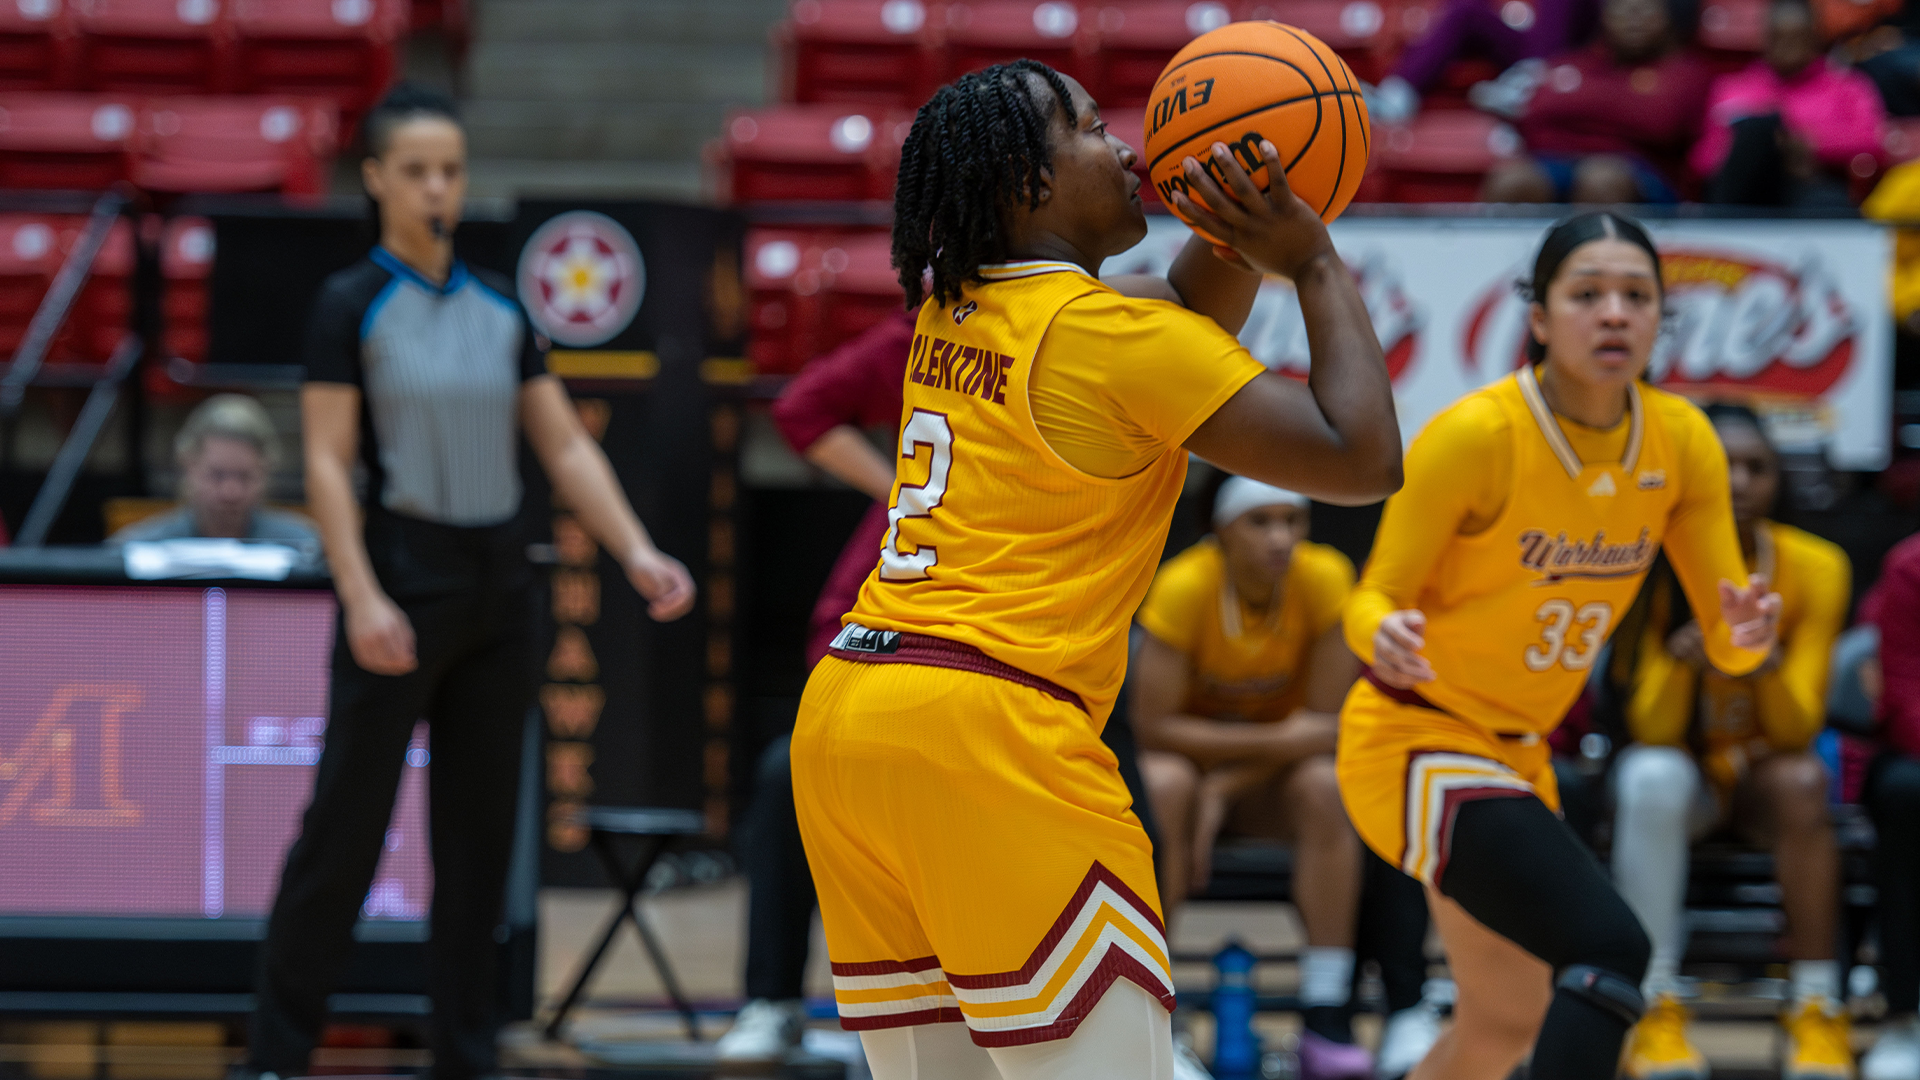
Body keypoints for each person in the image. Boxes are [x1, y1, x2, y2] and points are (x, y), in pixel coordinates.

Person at [790, 58, 1403, 1080]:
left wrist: (1227, 235)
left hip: (854, 719)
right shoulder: (1109, 339)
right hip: (989, 730)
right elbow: (1362, 459)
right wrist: (1314, 262)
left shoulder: (963, 305)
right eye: (1086, 130)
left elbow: (1172, 322)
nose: (1130, 147)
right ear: (1024, 184)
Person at [234, 83, 696, 1080]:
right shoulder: (350, 304)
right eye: (417, 171)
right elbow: (324, 462)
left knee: (480, 844)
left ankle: (465, 1055)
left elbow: (565, 447)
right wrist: (359, 595)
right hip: (401, 580)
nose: (438, 186)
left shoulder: (499, 309)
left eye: (450, 168)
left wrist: (636, 551)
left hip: (501, 590)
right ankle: (276, 1054)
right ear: (376, 180)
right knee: (342, 837)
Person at [1337, 210, 1781, 1080]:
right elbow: (1374, 595)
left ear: (1660, 319)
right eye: (1587, 295)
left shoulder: (1684, 441)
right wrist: (1380, 632)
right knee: (1610, 950)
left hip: (1520, 758)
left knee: (1503, 1028)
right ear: (1538, 319)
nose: (1614, 313)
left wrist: (1745, 636)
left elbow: (1729, 641)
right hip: (1413, 742)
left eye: (1636, 296)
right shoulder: (1477, 436)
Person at [1606, 403, 1852, 1080]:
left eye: (1757, 467)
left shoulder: (1818, 567)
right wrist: (1688, 658)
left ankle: (1817, 1010)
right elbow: (1649, 727)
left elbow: (1799, 726)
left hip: (1764, 780)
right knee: (1647, 774)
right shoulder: (1647, 558)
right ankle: (1654, 1009)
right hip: (1686, 779)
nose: (1739, 482)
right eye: (1723, 466)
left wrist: (1758, 658)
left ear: (1780, 479)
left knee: (1807, 778)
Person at [717, 310, 914, 1063]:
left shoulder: (1078, 327)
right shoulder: (928, 332)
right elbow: (800, 406)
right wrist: (899, 490)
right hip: (890, 684)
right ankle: (773, 999)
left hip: (1027, 665)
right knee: (787, 775)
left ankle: (1136, 1017)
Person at [1133, 475, 1372, 1078]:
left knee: (1325, 783)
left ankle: (1325, 1007)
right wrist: (1223, 773)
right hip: (1192, 782)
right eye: (1260, 522)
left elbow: (1326, 728)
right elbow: (1153, 727)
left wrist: (1226, 786)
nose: (1281, 538)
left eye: (1293, 522)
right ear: (1221, 531)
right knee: (1163, 783)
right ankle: (1151, 1010)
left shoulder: (1325, 578)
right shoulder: (1185, 585)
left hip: (1265, 787)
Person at [1481, 0, 1713, 204]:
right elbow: (1534, 113)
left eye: (1643, 10)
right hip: (1554, 163)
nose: (1632, 21)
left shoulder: (1686, 72)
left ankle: (1606, 254)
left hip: (1644, 175)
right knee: (1512, 180)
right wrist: (1621, 103)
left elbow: (1659, 123)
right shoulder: (1574, 61)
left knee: (1601, 179)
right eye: (1620, 11)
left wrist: (1579, 103)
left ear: (1669, 16)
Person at [1692, 0, 1885, 207]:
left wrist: (1807, 144)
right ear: (1764, 38)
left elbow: (1873, 142)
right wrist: (1767, 145)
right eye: (1778, 37)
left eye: (1795, 38)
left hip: (1808, 184)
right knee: (1759, 129)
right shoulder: (1731, 88)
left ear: (1814, 38)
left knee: (1833, 206)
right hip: (1742, 194)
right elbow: (1701, 160)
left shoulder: (1848, 87)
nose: (1786, 47)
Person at [1861, 533, 1920, 1080]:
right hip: (1916, 749)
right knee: (1905, 792)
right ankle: (1905, 1014)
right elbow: (1901, 690)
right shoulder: (1909, 565)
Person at [110, 394, 317, 546]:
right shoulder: (138, 549)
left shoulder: (305, 548)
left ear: (266, 471)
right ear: (188, 466)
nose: (230, 492)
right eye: (217, 475)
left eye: (245, 477)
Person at [1371, 0, 1600, 121]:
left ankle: (1528, 87)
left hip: (1574, 54)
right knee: (1465, 9)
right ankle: (1397, 94)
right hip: (1531, 46)